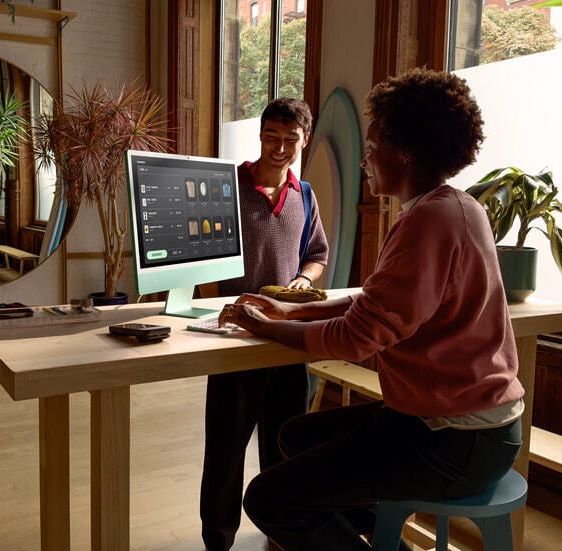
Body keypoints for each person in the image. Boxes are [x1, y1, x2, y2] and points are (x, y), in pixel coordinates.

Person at [221, 69, 525, 550]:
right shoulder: (454, 206)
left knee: (268, 499)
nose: (365, 157)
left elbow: (356, 337)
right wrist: (289, 310)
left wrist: (266, 326)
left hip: (453, 440)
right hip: (462, 423)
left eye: (373, 143)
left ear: (402, 150)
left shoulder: (428, 221)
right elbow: (374, 303)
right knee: (298, 436)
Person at [200, 97, 329, 551]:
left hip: (287, 341)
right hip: (234, 339)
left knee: (283, 444)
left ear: (304, 140)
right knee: (226, 449)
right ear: (260, 135)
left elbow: (317, 255)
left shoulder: (305, 195)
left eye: (290, 140)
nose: (279, 148)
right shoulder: (227, 187)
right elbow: (199, 254)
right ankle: (218, 538)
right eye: (271, 137)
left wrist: (301, 280)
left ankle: (280, 532)